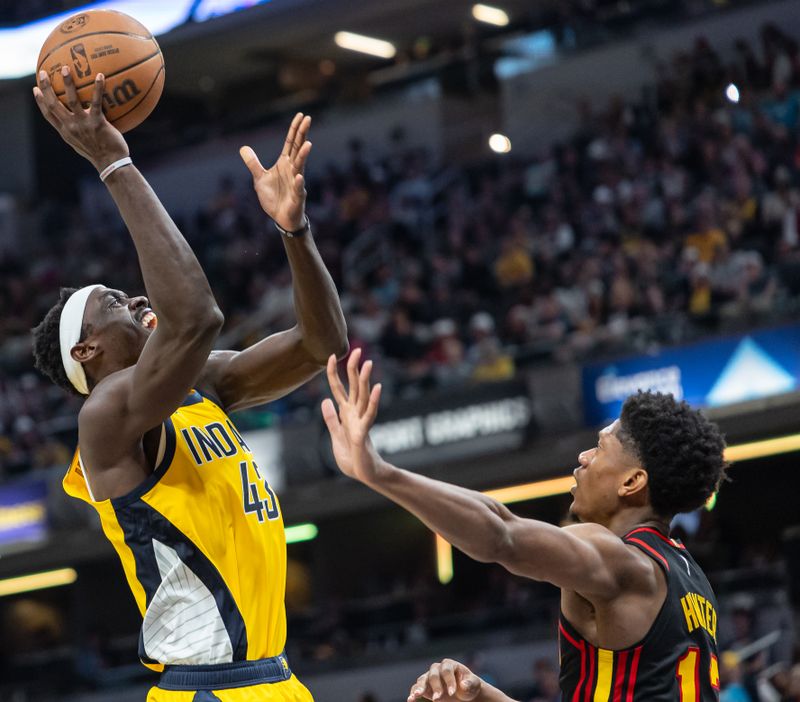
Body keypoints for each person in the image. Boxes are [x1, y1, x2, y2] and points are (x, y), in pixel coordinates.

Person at [31, 66, 347, 701]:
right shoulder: (107, 417)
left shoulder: (201, 386)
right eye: (116, 302)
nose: (137, 296)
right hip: (206, 686)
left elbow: (322, 344)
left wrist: (294, 231)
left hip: (275, 679)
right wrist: (114, 164)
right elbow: (197, 315)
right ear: (87, 349)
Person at [321, 349, 726, 702]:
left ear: (632, 482)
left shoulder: (618, 559)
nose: (584, 457)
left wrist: (379, 473)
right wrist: (481, 695)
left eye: (600, 448)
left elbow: (503, 535)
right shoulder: (692, 581)